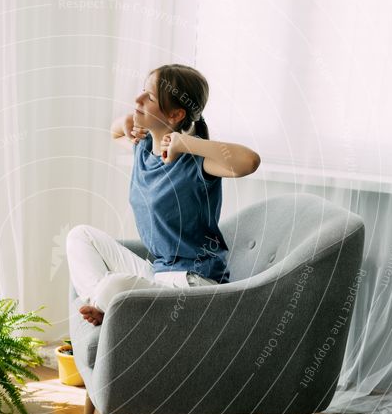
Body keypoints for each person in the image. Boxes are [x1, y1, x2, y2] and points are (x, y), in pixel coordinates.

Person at [67, 63, 261, 326]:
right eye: (142, 91)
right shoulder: (143, 149)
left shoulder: (197, 164)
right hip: (158, 275)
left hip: (192, 286)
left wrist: (187, 143)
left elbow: (249, 161)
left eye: (150, 97)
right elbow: (114, 132)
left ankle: (106, 303)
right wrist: (125, 123)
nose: (138, 99)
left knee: (113, 285)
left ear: (175, 115)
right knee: (80, 236)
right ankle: (103, 304)